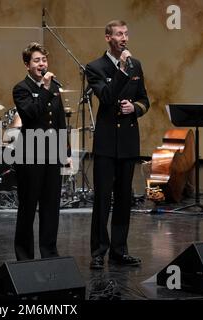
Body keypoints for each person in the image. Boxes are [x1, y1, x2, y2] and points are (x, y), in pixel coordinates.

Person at [86, 20, 150, 269]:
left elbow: (145, 98)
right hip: (106, 142)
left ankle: (119, 250)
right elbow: (107, 96)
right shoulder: (95, 67)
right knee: (102, 199)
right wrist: (122, 70)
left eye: (126, 33)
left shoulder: (137, 65)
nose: (124, 38)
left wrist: (135, 107)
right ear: (107, 38)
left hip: (127, 142)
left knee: (125, 199)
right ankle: (98, 252)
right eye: (119, 34)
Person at [12, 42, 70, 261]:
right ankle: (24, 255)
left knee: (51, 206)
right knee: (28, 208)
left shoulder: (54, 87)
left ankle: (49, 252)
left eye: (44, 60)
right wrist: (44, 89)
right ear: (27, 65)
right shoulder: (21, 88)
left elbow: (59, 120)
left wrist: (65, 151)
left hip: (52, 155)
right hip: (30, 155)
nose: (42, 64)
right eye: (36, 60)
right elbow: (31, 115)